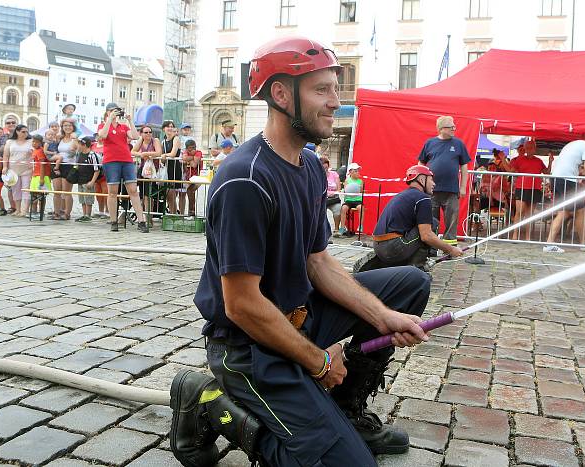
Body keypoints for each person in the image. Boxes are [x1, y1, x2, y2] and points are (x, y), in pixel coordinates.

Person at [169, 35, 430, 467]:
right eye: (322, 90)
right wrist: (318, 363)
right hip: (247, 347)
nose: (335, 102)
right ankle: (209, 403)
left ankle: (344, 410)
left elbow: (317, 260)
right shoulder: (244, 181)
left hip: (299, 317)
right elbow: (242, 306)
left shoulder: (309, 166)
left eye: (335, 88)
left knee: (409, 283)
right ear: (280, 94)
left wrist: (382, 317)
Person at [355, 165, 463, 273]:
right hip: (393, 247)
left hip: (378, 246)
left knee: (422, 226)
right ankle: (416, 269)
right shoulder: (423, 198)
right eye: (431, 179)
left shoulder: (402, 195)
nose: (434, 184)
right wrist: (451, 249)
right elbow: (427, 236)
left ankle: (386, 263)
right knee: (432, 224)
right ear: (421, 179)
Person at [544, 132, 585, 253]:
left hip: (557, 178)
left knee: (567, 211)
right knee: (573, 211)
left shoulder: (575, 144)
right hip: (567, 180)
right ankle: (581, 242)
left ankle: (581, 242)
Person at [418, 115, 471, 247]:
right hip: (431, 190)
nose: (454, 128)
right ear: (441, 129)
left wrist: (463, 187)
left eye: (454, 126)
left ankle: (450, 247)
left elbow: (464, 167)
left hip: (452, 190)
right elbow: (421, 163)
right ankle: (431, 246)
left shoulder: (459, 144)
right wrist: (422, 184)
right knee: (430, 219)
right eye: (451, 126)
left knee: (452, 220)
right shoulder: (429, 143)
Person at [97, 103, 148, 233]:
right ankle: (113, 221)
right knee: (113, 191)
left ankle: (141, 221)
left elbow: (136, 137)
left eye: (117, 111)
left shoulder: (123, 127)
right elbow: (102, 135)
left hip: (126, 160)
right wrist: (109, 119)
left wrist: (131, 121)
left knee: (133, 191)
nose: (116, 114)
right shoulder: (103, 125)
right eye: (113, 111)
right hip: (111, 161)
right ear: (107, 112)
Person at [507, 141, 552, 241]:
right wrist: (502, 159)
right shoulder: (519, 159)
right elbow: (511, 171)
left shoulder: (539, 161)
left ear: (534, 149)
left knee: (529, 214)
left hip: (535, 188)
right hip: (521, 187)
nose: (529, 149)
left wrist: (550, 162)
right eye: (527, 148)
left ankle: (527, 236)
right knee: (519, 211)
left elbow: (547, 172)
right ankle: (515, 234)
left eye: (531, 148)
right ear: (525, 149)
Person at [2, 124, 33, 217]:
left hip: (27, 169)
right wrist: (5, 167)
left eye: (26, 132)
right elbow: (6, 155)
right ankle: (17, 209)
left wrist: (32, 162)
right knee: (16, 190)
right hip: (13, 169)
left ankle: (24, 210)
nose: (25, 133)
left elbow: (35, 153)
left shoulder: (30, 141)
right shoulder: (10, 142)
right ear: (17, 131)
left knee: (26, 189)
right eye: (23, 132)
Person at [132, 125, 163, 219]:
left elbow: (159, 152)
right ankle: (144, 216)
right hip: (143, 169)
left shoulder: (155, 140)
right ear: (141, 134)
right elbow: (132, 151)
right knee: (142, 194)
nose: (148, 134)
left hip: (153, 170)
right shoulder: (140, 141)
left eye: (150, 132)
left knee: (148, 195)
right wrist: (141, 155)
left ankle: (149, 217)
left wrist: (147, 154)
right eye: (146, 132)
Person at [50, 119, 78, 220]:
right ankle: (57, 212)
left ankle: (67, 213)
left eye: (70, 125)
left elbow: (75, 149)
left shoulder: (74, 139)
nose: (67, 127)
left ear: (73, 127)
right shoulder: (60, 138)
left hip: (69, 165)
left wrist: (74, 138)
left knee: (67, 191)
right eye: (65, 125)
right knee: (57, 191)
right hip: (58, 164)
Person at [73, 136, 101, 222]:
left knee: (88, 198)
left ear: (84, 145)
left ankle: (88, 215)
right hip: (80, 180)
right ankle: (84, 214)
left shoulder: (92, 155)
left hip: (88, 180)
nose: (79, 146)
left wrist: (92, 181)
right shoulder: (79, 154)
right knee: (82, 198)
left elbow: (97, 170)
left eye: (80, 144)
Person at [161, 120, 182, 214]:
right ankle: (172, 213)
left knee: (172, 193)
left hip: (174, 167)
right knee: (168, 194)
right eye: (168, 126)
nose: (170, 128)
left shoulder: (176, 139)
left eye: (171, 126)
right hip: (166, 168)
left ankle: (173, 214)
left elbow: (173, 153)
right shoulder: (163, 142)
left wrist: (164, 155)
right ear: (163, 129)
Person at [339, 162, 363, 237]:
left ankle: (360, 225)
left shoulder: (360, 181)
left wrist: (359, 189)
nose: (357, 172)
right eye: (355, 171)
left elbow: (361, 190)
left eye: (358, 171)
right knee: (343, 208)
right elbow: (346, 190)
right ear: (350, 172)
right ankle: (342, 227)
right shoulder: (347, 181)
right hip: (349, 200)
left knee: (361, 208)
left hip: (357, 200)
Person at [320, 155, 343, 236]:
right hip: (323, 199)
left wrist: (335, 192)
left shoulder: (334, 174)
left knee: (338, 210)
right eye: (323, 168)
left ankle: (336, 229)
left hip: (334, 199)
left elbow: (339, 188)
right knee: (321, 213)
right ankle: (323, 230)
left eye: (326, 167)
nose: (325, 169)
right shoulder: (318, 175)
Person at [29, 135, 51, 216]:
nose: (34, 143)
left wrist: (42, 179)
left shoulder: (41, 151)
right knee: (33, 194)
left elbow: (42, 165)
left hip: (41, 176)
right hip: (35, 175)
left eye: (36, 142)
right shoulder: (34, 151)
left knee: (41, 195)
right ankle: (33, 211)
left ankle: (41, 211)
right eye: (33, 141)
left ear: (41, 143)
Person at [181, 139, 202, 219]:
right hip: (189, 177)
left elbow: (194, 164)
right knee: (190, 193)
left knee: (190, 191)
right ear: (187, 148)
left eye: (194, 147)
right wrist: (192, 157)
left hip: (198, 177)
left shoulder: (199, 152)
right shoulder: (187, 152)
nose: (193, 149)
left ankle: (192, 212)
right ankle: (191, 212)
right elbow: (184, 157)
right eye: (190, 148)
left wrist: (189, 159)